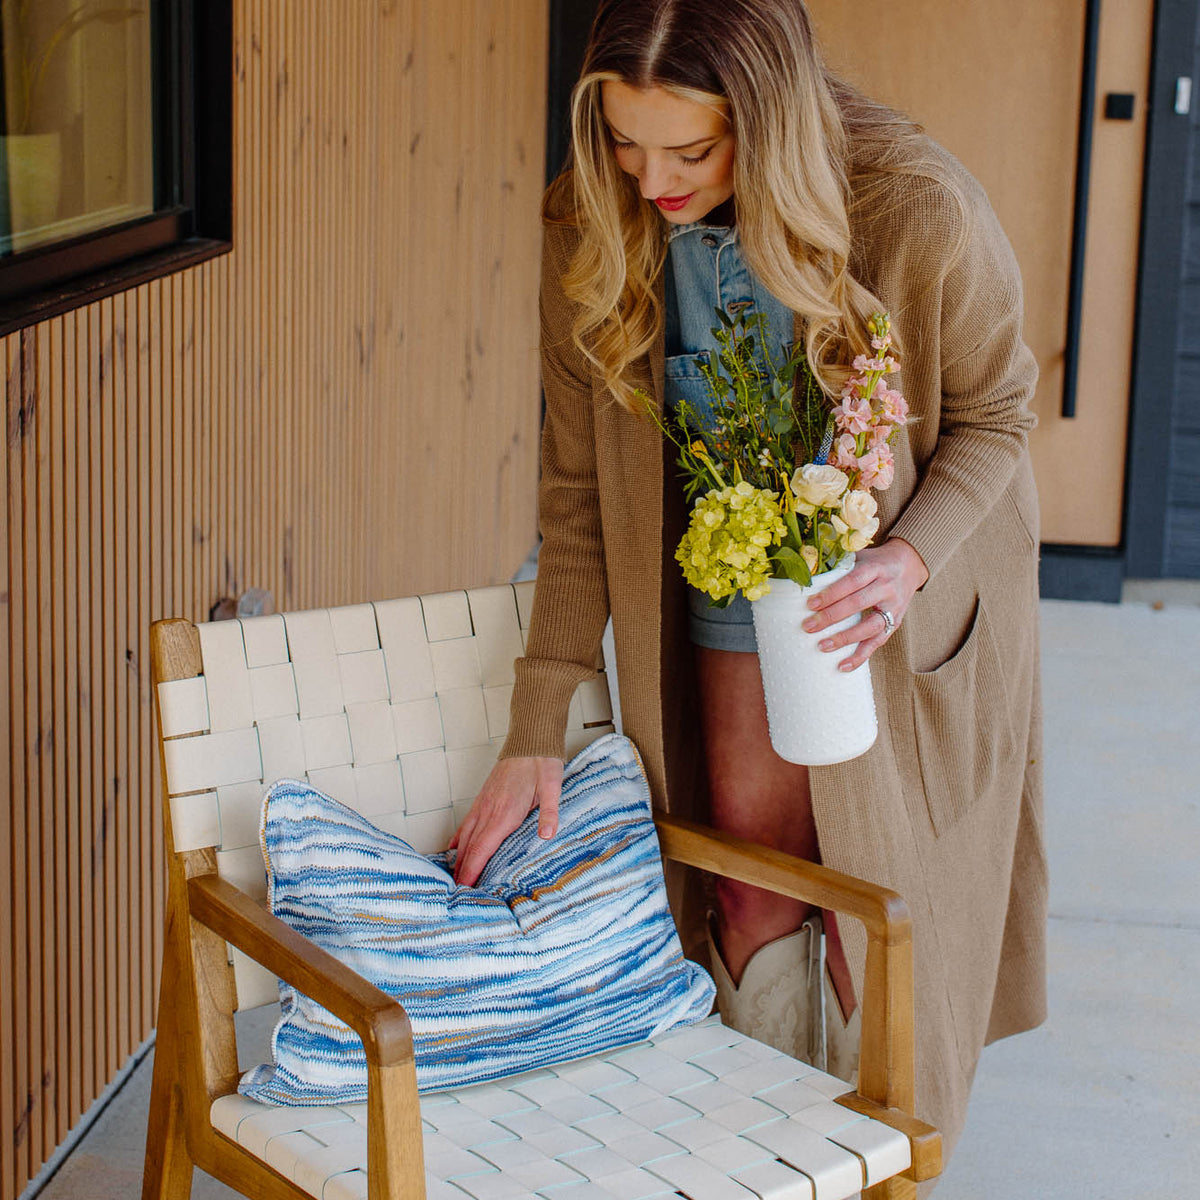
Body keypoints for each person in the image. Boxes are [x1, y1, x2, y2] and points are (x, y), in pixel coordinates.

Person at [450, 0, 1047, 1161]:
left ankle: (875, 1164)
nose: (652, 179)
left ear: (767, 127)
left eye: (692, 150)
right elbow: (576, 497)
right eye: (626, 142)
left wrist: (908, 558)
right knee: (748, 886)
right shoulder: (591, 221)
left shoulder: (914, 207)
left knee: (877, 910)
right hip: (722, 592)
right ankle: (761, 1161)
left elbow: (997, 415)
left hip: (893, 598)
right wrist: (535, 721)